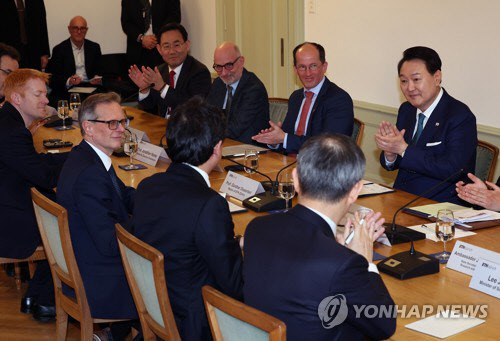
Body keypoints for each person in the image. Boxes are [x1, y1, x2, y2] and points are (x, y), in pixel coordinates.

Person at [243, 134, 396, 340]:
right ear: (355, 191)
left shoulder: (257, 228)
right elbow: (384, 326)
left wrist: (339, 251)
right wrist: (366, 262)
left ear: (296, 179)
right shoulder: (343, 264)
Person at [130, 96, 243, 340]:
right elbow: (233, 284)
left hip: (158, 306)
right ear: (217, 148)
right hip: (195, 322)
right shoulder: (209, 204)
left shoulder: (148, 186)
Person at [56, 93, 137, 339]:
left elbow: (123, 196)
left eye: (123, 121)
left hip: (89, 262)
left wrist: (161, 199)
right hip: (99, 282)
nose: (121, 129)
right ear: (88, 128)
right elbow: (110, 243)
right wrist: (155, 224)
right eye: (112, 123)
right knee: (178, 276)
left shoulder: (87, 157)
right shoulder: (90, 174)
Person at [0, 69, 68, 322]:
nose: (46, 100)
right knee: (70, 220)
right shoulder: (12, 131)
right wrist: (82, 157)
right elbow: (44, 176)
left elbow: (31, 164)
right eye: (38, 94)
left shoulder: (9, 122)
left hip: (8, 200)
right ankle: (48, 300)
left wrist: (69, 157)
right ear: (17, 98)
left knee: (58, 208)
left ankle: (37, 295)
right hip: (6, 218)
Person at [376, 46, 477, 204]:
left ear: (437, 77)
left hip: (440, 206)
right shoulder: (406, 109)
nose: (409, 88)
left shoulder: (460, 116)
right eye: (403, 81)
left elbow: (454, 169)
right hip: (401, 198)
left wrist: (403, 149)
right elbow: (396, 162)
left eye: (416, 79)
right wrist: (391, 154)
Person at [252, 42, 354, 154]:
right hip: (288, 164)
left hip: (322, 168)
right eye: (302, 67)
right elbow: (288, 141)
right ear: (295, 70)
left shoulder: (339, 99)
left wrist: (284, 138)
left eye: (313, 66)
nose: (308, 73)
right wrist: (274, 141)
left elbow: (328, 147)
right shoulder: (296, 97)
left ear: (324, 67)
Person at [129, 23, 211, 118]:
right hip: (162, 127)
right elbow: (149, 108)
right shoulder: (159, 71)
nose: (172, 51)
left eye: (176, 45)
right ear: (159, 49)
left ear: (187, 45)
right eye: (166, 46)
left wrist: (163, 88)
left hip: (187, 129)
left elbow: (193, 109)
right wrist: (145, 89)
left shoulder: (199, 72)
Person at [207, 42, 269, 144]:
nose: (224, 73)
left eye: (229, 65)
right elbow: (208, 117)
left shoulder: (254, 89)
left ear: (241, 61)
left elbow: (235, 129)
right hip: (222, 144)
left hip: (249, 150)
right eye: (218, 67)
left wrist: (206, 134)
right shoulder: (218, 84)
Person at [46, 16, 102, 101]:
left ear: (86, 30)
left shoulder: (94, 47)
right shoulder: (59, 49)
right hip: (69, 89)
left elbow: (101, 71)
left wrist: (97, 79)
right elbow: (53, 78)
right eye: (75, 28)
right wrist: (69, 81)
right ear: (69, 29)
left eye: (82, 28)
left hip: (90, 87)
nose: (79, 32)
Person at [121, 0, 181, 68]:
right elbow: (126, 23)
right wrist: (142, 38)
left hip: (163, 49)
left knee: (163, 77)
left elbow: (174, 17)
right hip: (137, 52)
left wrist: (157, 37)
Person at [0, 0, 49, 70]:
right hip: (8, 52)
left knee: (32, 78)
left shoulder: (37, 2)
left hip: (34, 51)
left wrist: (44, 53)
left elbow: (42, 25)